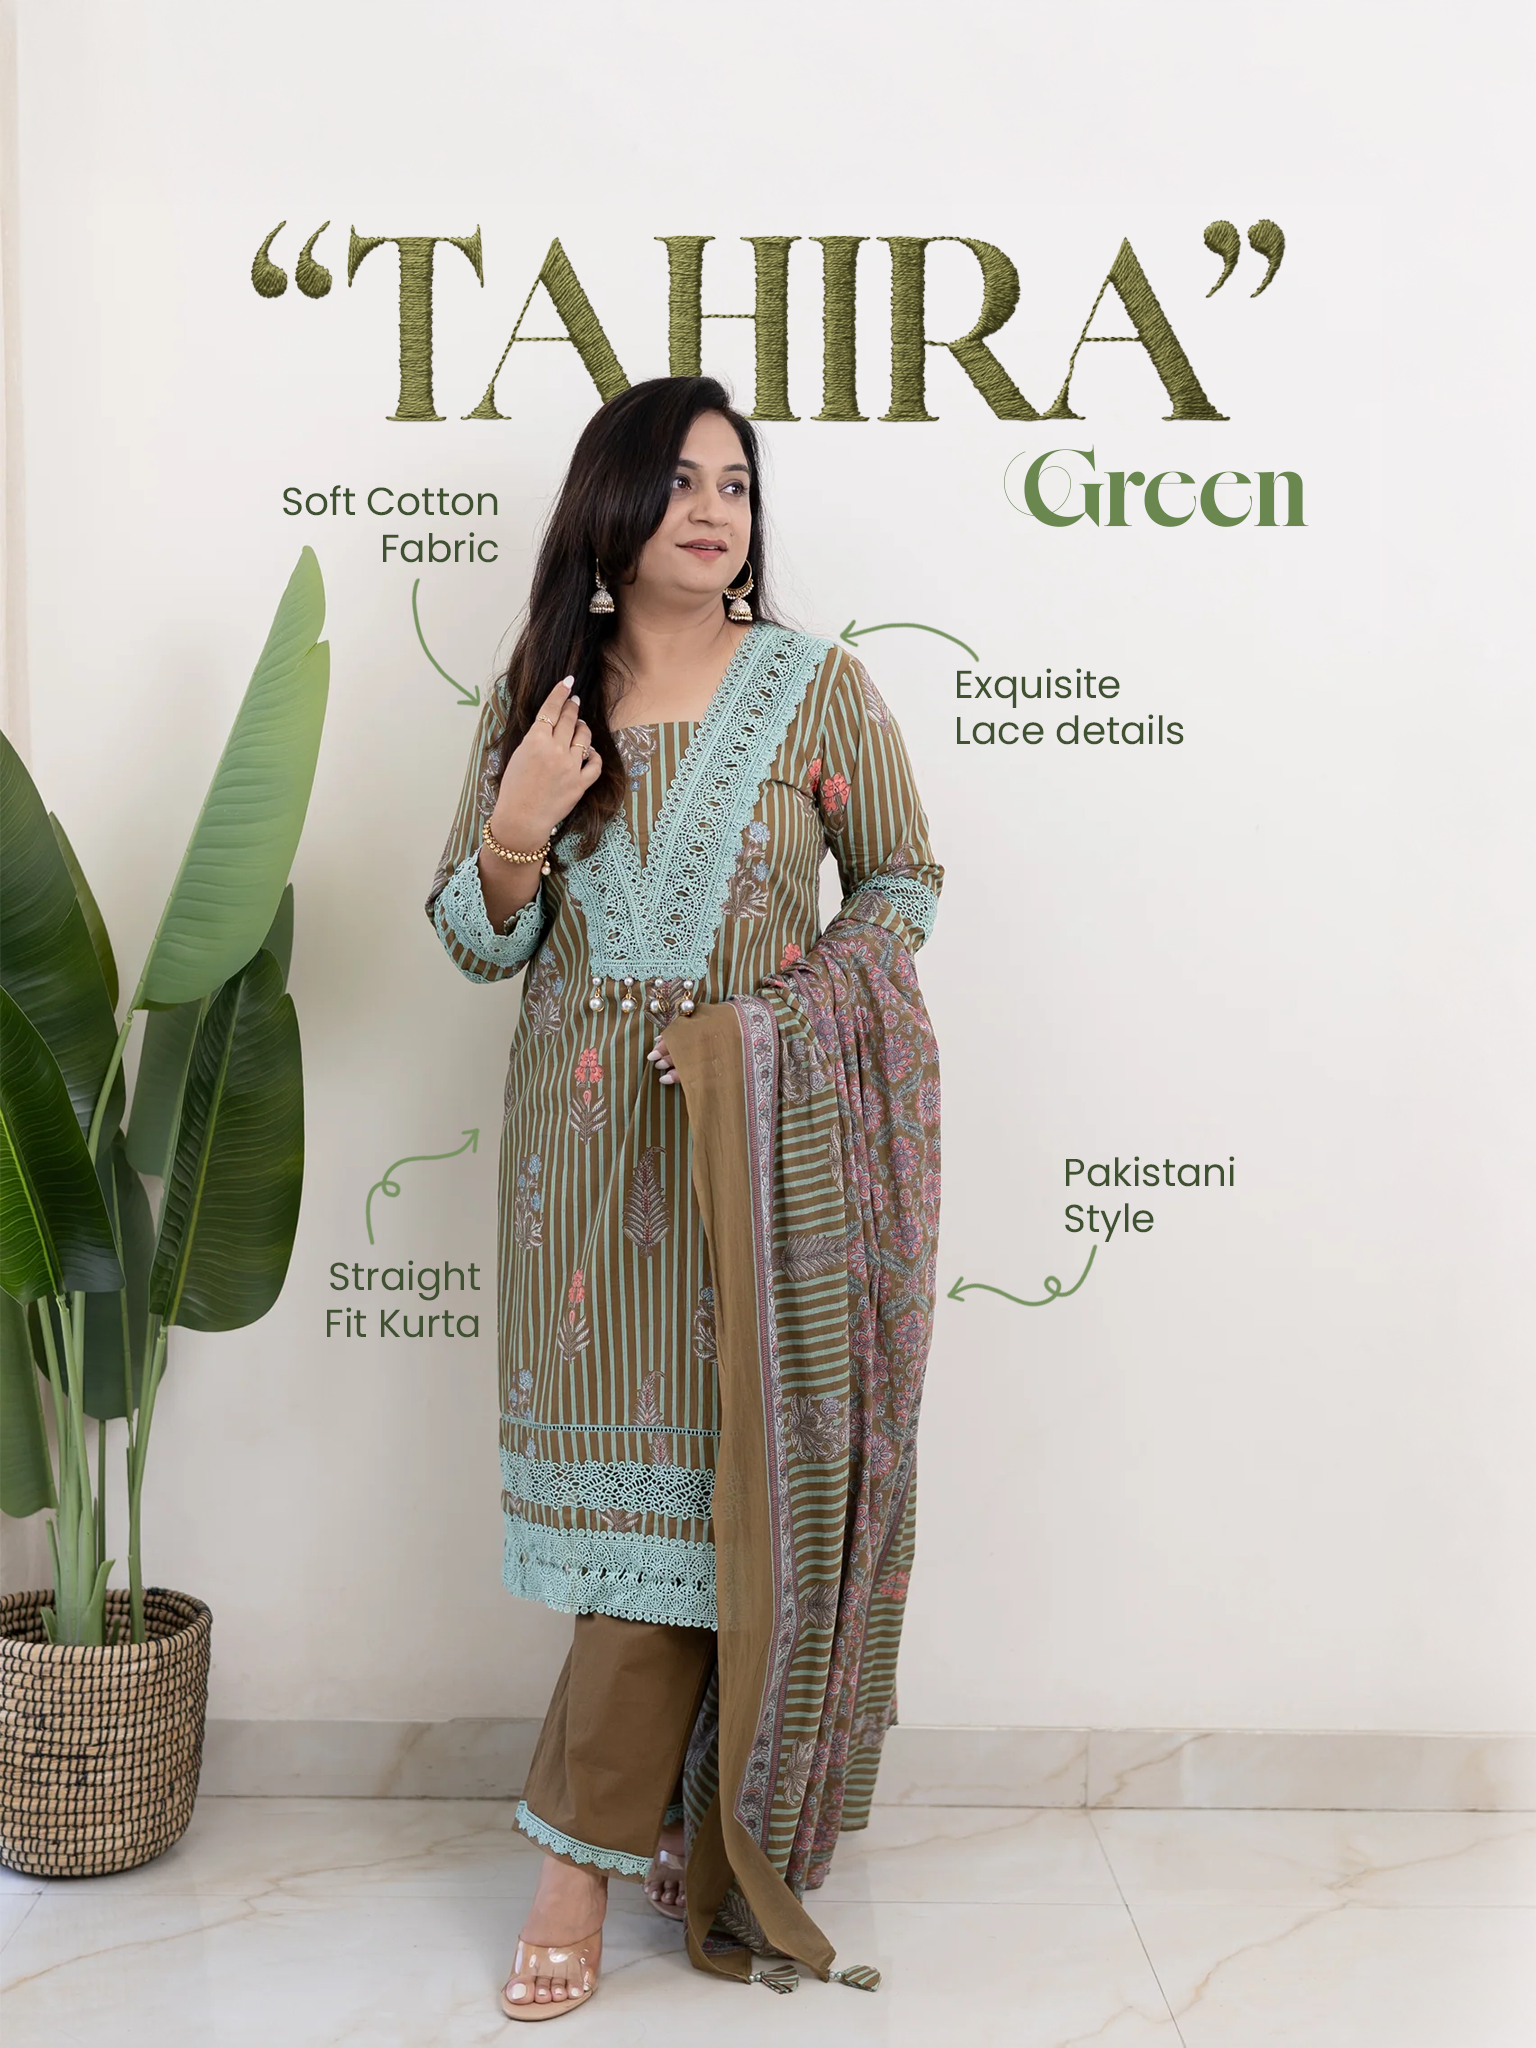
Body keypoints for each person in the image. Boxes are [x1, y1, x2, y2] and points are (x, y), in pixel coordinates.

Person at [427, 376, 943, 2020]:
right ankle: (655, 1829)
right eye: (682, 481)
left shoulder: (818, 689)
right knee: (638, 1523)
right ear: (614, 504)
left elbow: (903, 885)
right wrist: (516, 831)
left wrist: (776, 1030)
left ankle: (580, 1864)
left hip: (764, 1154)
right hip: (580, 1175)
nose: (716, 509)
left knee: (734, 1496)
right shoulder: (542, 699)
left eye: (737, 483)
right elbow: (477, 937)